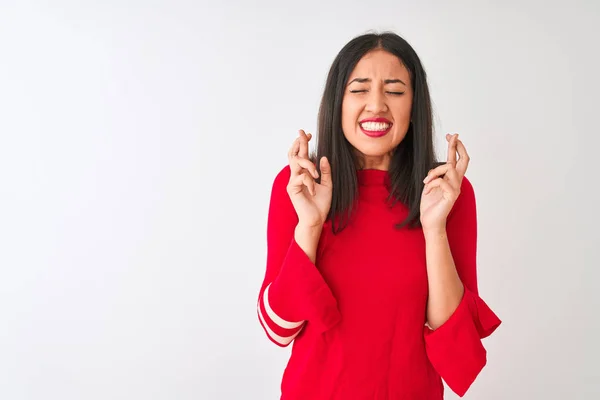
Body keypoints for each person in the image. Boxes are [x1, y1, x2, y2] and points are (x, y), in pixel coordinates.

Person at [256, 31, 501, 399]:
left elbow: (456, 352)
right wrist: (310, 226)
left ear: (414, 105)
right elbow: (279, 329)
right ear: (337, 101)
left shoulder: (448, 193)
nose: (376, 105)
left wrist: (434, 229)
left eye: (395, 91)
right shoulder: (298, 185)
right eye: (359, 89)